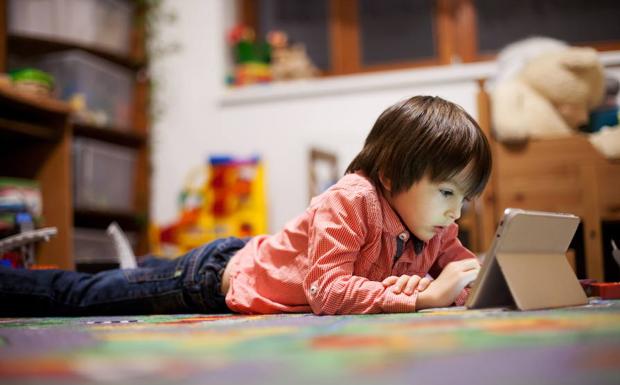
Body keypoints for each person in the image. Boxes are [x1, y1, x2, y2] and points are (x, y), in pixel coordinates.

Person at [0, 95, 492, 316]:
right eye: (447, 192)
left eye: (464, 199)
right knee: (80, 295)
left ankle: (137, 265)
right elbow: (327, 291)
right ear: (390, 175)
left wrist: (477, 278)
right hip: (212, 280)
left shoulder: (436, 224)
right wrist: (421, 297)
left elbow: (464, 269)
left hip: (242, 264)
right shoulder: (353, 199)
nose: (457, 212)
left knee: (133, 275)